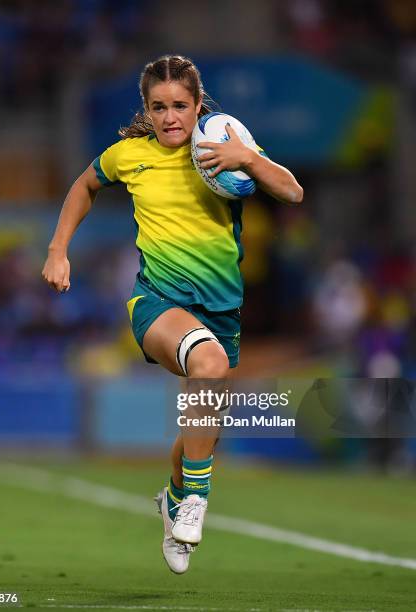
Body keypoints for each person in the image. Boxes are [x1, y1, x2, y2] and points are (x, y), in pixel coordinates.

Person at [42, 55, 303, 574]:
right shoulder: (128, 156)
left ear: (197, 106)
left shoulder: (221, 146)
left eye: (179, 106)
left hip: (222, 311)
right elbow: (85, 186)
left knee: (200, 429)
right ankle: (196, 502)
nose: (169, 117)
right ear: (147, 108)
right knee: (207, 366)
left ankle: (174, 493)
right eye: (158, 107)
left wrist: (247, 158)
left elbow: (292, 191)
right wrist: (57, 249)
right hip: (156, 303)